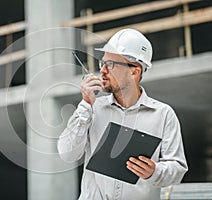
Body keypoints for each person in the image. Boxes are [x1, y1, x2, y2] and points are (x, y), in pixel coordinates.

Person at [57, 28, 188, 200]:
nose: (102, 70)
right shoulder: (92, 109)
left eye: (110, 64)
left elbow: (177, 170)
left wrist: (154, 172)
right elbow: (67, 154)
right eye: (102, 63)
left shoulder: (163, 115)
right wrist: (86, 105)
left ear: (134, 71)